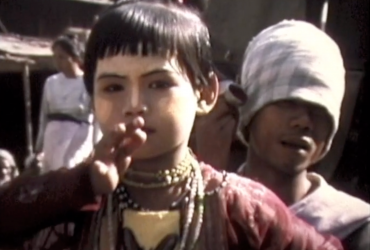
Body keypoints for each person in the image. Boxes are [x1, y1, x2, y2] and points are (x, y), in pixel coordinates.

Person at [0, 2, 343, 249]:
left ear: (206, 93)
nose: (134, 104)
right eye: (113, 87)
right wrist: (83, 181)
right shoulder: (73, 208)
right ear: (92, 98)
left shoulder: (242, 209)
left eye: (159, 83)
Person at [235, 20, 370, 250]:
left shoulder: (356, 229)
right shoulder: (199, 209)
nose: (304, 122)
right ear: (250, 110)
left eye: (319, 109)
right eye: (288, 102)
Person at [34, 35, 94, 172]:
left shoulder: (87, 82)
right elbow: (44, 115)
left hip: (78, 133)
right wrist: (39, 144)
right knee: (50, 174)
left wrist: (96, 145)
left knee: (69, 168)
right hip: (53, 134)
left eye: (61, 57)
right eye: (55, 57)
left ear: (73, 57)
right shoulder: (51, 82)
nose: (57, 61)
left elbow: (96, 117)